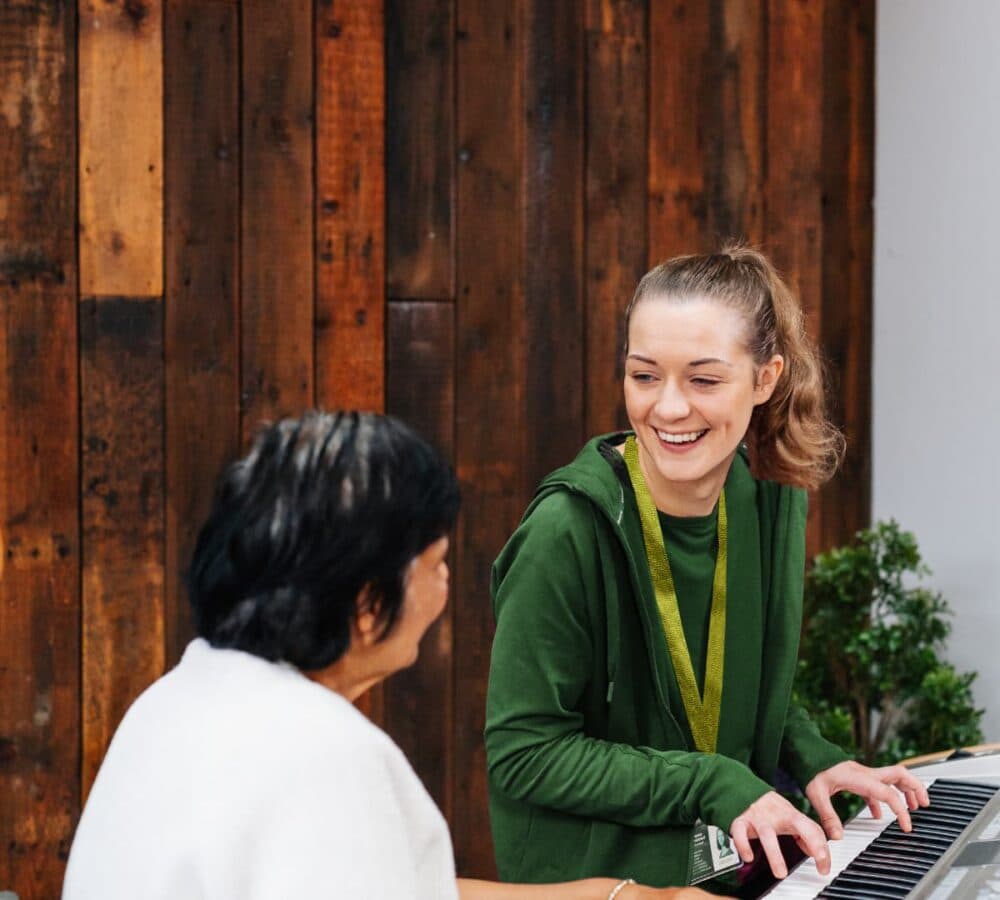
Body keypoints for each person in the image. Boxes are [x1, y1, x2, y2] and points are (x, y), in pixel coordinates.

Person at [63, 411, 713, 900]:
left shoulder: (178, 700)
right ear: (369, 607)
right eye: (435, 564)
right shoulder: (322, 753)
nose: (447, 585)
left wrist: (616, 895)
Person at [485, 246, 931, 891]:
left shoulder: (769, 497)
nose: (667, 409)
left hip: (733, 866)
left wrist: (815, 759)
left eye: (703, 379)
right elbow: (523, 756)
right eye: (644, 376)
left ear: (766, 378)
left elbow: (738, 685)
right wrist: (711, 779)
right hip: (607, 884)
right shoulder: (566, 531)